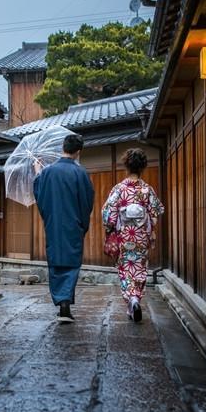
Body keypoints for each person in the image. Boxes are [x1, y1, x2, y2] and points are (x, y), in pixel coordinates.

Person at [33, 134, 94, 323]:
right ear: (78, 152)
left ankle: (62, 302)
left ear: (63, 147)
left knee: (56, 262)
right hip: (73, 225)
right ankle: (65, 301)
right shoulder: (80, 173)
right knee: (72, 263)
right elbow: (87, 201)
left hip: (54, 224)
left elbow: (40, 195)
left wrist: (38, 173)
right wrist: (83, 224)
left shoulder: (48, 172)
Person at [102, 148, 164, 322]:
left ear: (126, 166)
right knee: (140, 267)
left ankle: (131, 300)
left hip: (123, 235)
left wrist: (109, 229)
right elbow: (155, 212)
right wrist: (151, 231)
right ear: (142, 167)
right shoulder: (147, 189)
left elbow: (108, 213)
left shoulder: (119, 188)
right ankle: (137, 297)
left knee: (125, 268)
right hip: (141, 236)